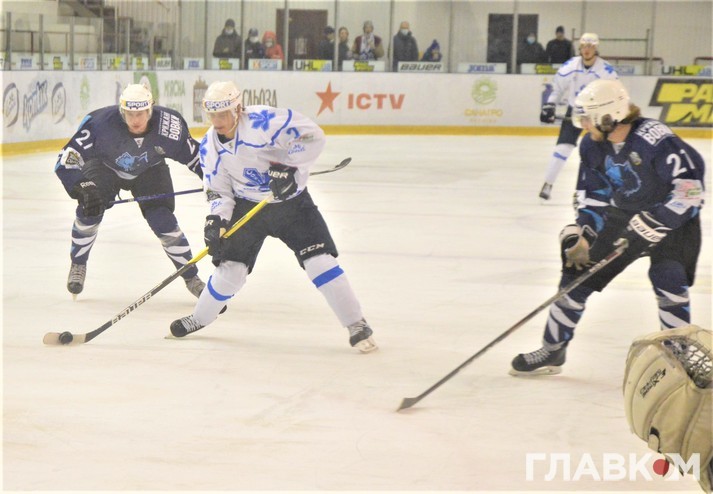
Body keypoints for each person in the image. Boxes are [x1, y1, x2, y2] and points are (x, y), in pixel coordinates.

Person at [511, 79, 705, 375]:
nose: (584, 125)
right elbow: (594, 194)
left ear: (608, 116)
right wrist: (585, 233)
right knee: (575, 277)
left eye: (588, 118)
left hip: (673, 220)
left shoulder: (655, 139)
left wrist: (657, 221)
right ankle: (553, 349)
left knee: (668, 277)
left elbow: (690, 190)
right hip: (623, 214)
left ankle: (680, 358)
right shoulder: (592, 145)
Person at [169, 81, 378, 354]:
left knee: (319, 262)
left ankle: (356, 324)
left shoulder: (264, 121)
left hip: (292, 205)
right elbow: (219, 190)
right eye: (212, 115)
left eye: (223, 115)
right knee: (231, 270)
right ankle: (200, 317)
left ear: (237, 109)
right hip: (248, 207)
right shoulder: (210, 146)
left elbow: (312, 136)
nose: (217, 122)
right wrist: (216, 221)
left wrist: (288, 168)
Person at [54, 84, 206, 299]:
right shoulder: (99, 124)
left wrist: (215, 182)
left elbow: (198, 159)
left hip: (150, 170)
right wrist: (82, 186)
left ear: (150, 110)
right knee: (90, 208)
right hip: (104, 167)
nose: (135, 120)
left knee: (163, 220)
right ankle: (78, 263)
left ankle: (191, 277)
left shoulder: (169, 125)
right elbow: (66, 160)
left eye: (141, 113)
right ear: (122, 111)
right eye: (130, 114)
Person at [538, 33, 618, 200]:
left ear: (596, 48)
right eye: (584, 46)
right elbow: (557, 88)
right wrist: (549, 105)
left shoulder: (606, 70)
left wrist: (609, 113)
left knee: (604, 152)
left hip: (597, 114)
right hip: (575, 110)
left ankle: (608, 187)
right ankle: (548, 183)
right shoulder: (570, 65)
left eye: (590, 46)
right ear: (580, 48)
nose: (587, 50)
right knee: (563, 148)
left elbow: (615, 93)